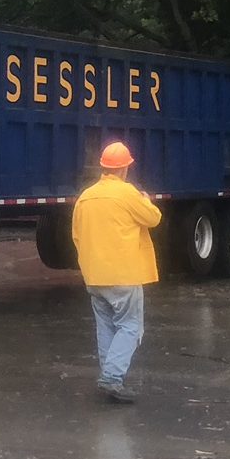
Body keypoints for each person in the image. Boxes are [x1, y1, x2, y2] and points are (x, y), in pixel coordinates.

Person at [71, 140, 162, 404]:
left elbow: (76, 236)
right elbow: (154, 219)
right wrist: (146, 200)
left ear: (103, 168)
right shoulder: (127, 193)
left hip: (95, 276)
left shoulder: (85, 197)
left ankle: (111, 377)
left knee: (106, 327)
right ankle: (112, 377)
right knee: (131, 326)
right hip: (124, 275)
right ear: (124, 169)